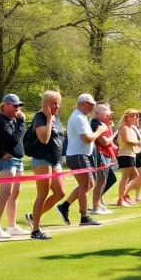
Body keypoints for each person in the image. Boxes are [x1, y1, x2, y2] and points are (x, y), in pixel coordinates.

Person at [56, 94, 107, 227]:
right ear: (83, 104)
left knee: (89, 184)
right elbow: (87, 138)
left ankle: (64, 206)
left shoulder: (82, 116)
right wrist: (100, 131)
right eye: (90, 105)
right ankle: (84, 217)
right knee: (85, 186)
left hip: (81, 154)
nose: (92, 108)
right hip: (78, 155)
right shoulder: (78, 117)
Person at [24, 91, 65, 240]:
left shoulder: (56, 117)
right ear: (46, 104)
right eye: (54, 103)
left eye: (58, 103)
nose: (58, 106)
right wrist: (48, 118)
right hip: (42, 160)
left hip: (55, 161)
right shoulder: (40, 117)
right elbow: (44, 139)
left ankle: (33, 216)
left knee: (60, 192)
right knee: (42, 195)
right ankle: (35, 230)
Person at [0, 94, 30, 238]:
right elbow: (13, 139)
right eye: (15, 106)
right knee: (5, 193)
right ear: (5, 105)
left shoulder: (12, 120)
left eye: (19, 106)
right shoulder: (1, 121)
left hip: (17, 160)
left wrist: (18, 123)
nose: (18, 108)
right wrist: (21, 123)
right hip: (6, 161)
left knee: (14, 194)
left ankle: (12, 226)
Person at [90, 103, 116, 215]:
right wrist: (114, 135)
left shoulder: (104, 124)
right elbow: (104, 142)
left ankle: (99, 203)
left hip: (106, 155)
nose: (108, 114)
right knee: (100, 181)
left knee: (105, 180)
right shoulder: (95, 123)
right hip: (100, 154)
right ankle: (95, 206)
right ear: (97, 114)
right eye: (105, 112)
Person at [116, 109, 141, 207]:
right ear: (126, 117)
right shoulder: (124, 128)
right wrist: (140, 143)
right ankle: (120, 199)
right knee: (125, 177)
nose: (135, 118)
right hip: (125, 154)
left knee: (135, 175)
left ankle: (124, 195)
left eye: (135, 116)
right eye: (132, 116)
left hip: (131, 154)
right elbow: (127, 141)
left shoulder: (132, 128)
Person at [123, 113, 141, 203]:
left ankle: (134, 195)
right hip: (133, 153)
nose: (136, 119)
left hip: (138, 152)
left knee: (135, 175)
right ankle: (124, 193)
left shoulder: (137, 128)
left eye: (137, 117)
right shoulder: (128, 128)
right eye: (134, 117)